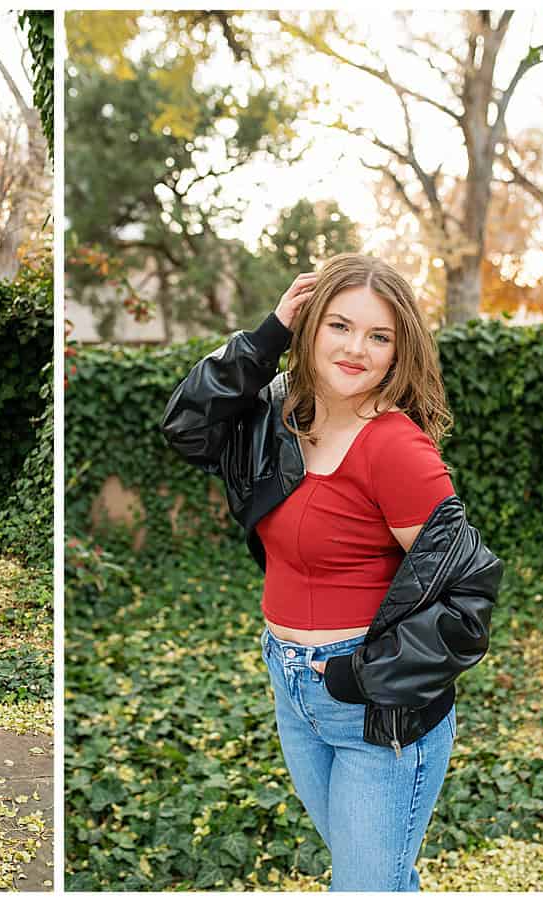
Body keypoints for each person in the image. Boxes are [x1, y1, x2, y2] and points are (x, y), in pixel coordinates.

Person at [158, 253, 501, 891]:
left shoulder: (396, 447)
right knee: (374, 880)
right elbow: (186, 427)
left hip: (373, 709)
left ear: (399, 353)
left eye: (379, 336)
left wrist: (366, 674)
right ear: (309, 327)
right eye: (338, 326)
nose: (355, 349)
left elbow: (468, 594)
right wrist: (266, 336)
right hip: (293, 688)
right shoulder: (277, 415)